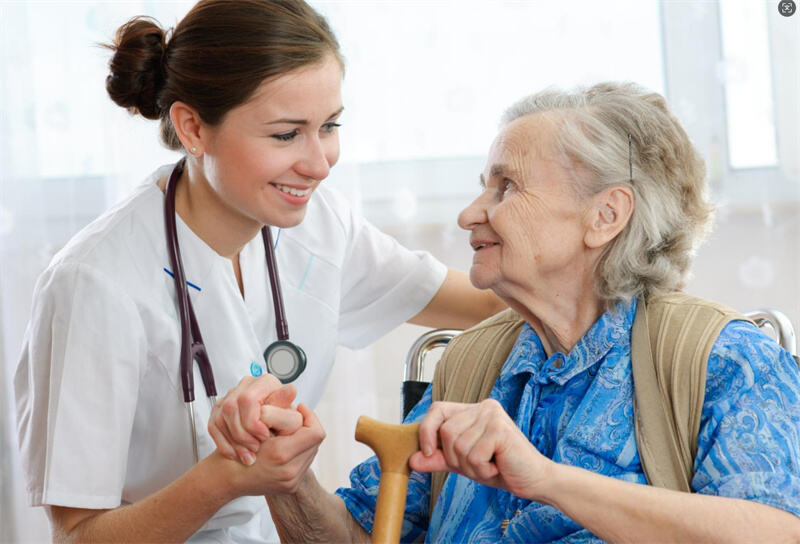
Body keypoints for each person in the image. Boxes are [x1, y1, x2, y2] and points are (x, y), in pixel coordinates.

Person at [212, 82, 800, 542]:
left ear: (606, 216)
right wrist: (284, 477)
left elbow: (778, 534)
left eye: (506, 187)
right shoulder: (467, 367)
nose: (471, 213)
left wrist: (546, 480)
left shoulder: (721, 358)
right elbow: (362, 537)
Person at [13, 1, 505, 542]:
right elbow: (77, 535)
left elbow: (491, 300)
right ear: (193, 127)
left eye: (329, 126)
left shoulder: (319, 227)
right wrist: (223, 479)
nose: (319, 164)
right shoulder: (95, 283)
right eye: (285, 135)